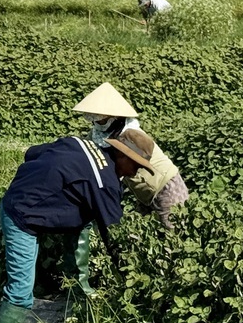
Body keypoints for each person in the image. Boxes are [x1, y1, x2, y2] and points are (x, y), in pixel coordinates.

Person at [0, 130, 154, 323]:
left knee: (83, 218)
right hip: (20, 217)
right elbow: (112, 235)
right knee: (21, 291)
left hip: (19, 199)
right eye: (136, 165)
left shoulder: (78, 144)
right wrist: (129, 273)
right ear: (122, 155)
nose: (135, 173)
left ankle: (76, 289)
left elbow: (32, 153)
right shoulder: (104, 182)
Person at [73, 82, 189, 230]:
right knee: (141, 233)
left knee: (174, 230)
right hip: (144, 192)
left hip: (165, 184)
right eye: (94, 117)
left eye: (100, 117)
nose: (96, 121)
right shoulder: (99, 132)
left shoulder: (131, 134)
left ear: (114, 116)